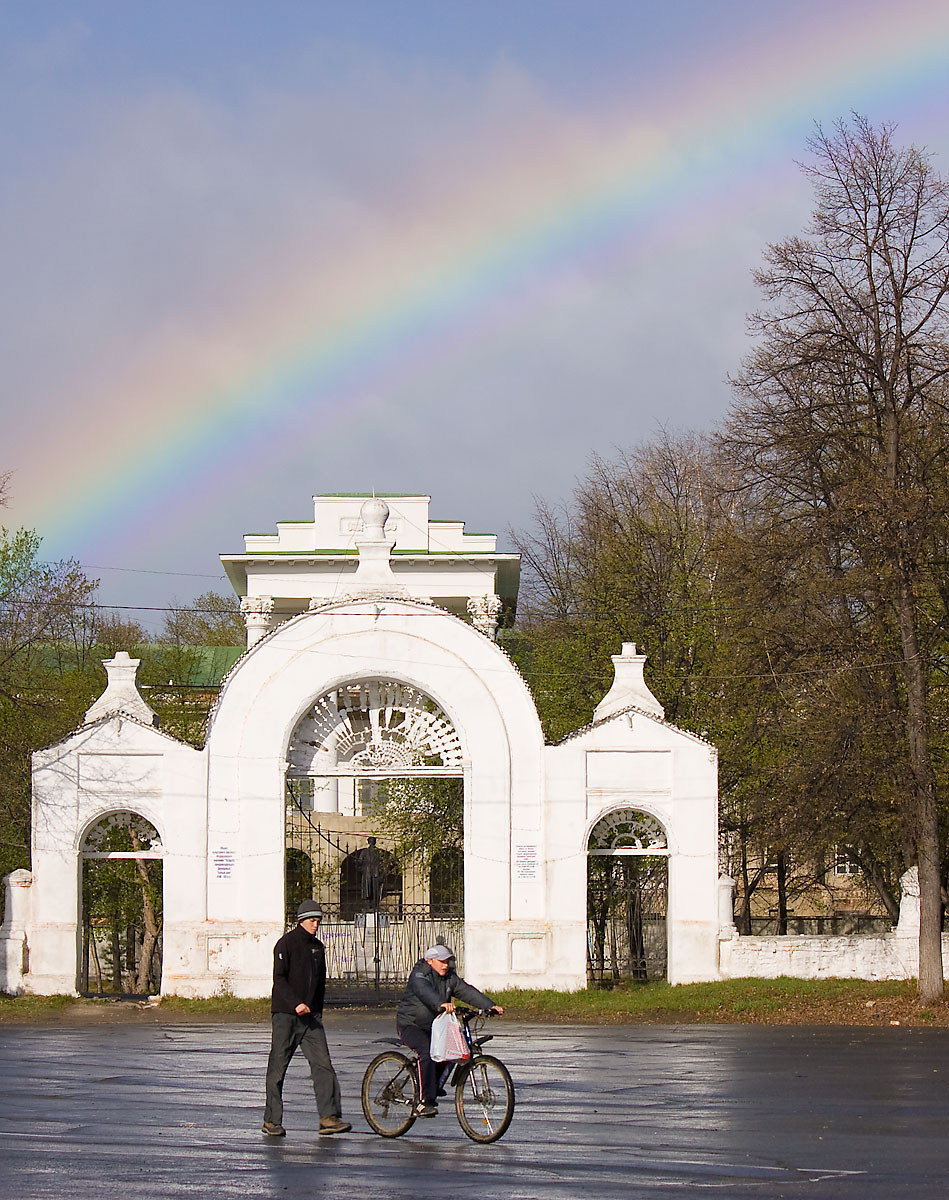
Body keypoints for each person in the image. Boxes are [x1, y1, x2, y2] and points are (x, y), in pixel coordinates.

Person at [261, 900, 351, 1137]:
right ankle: (272, 1120)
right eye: (312, 920)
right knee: (278, 1068)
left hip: (310, 1019)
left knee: (323, 1066)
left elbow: (319, 983)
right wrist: (295, 1003)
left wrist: (316, 1010)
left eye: (318, 921)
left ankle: (329, 1117)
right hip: (286, 1016)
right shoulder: (286, 944)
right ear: (301, 920)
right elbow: (279, 980)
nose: (316, 924)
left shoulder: (318, 948)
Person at [396, 943, 504, 1117]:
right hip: (410, 1025)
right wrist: (440, 1004)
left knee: (453, 1049)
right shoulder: (419, 975)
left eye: (448, 961)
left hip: (433, 1027)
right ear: (430, 961)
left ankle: (433, 1084)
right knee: (427, 1052)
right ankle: (424, 1102)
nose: (445, 965)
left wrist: (490, 1006)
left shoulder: (449, 977)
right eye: (441, 961)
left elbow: (467, 991)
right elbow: (425, 992)